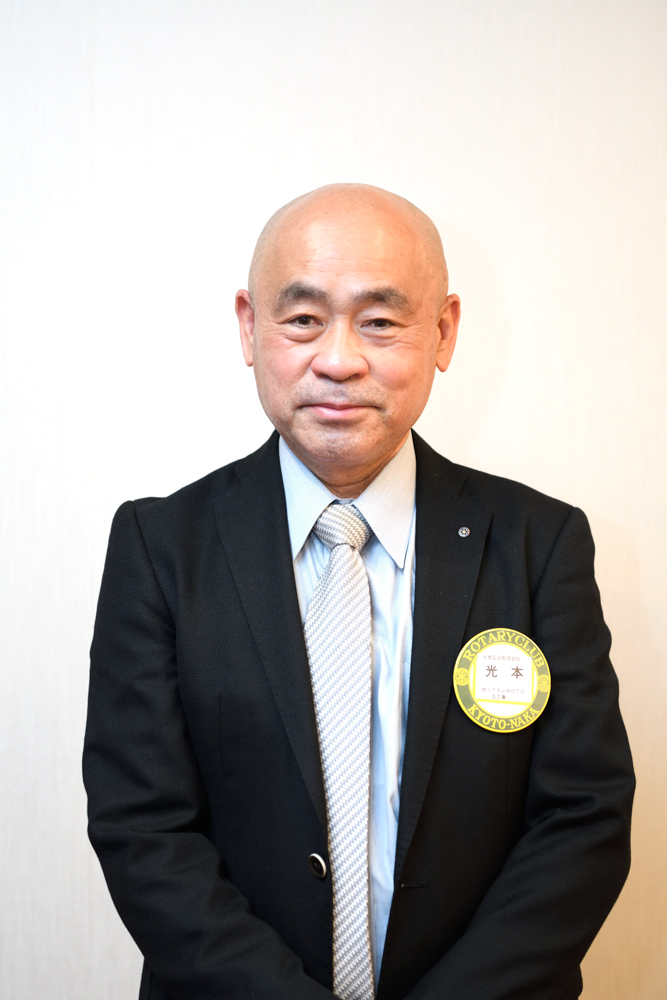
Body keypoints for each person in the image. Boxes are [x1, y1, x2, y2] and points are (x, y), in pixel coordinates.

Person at [83, 184, 634, 1000]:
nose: (338, 360)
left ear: (442, 332)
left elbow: (582, 818)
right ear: (249, 327)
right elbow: (143, 828)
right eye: (303, 319)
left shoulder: (537, 544)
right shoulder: (161, 547)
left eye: (379, 321)